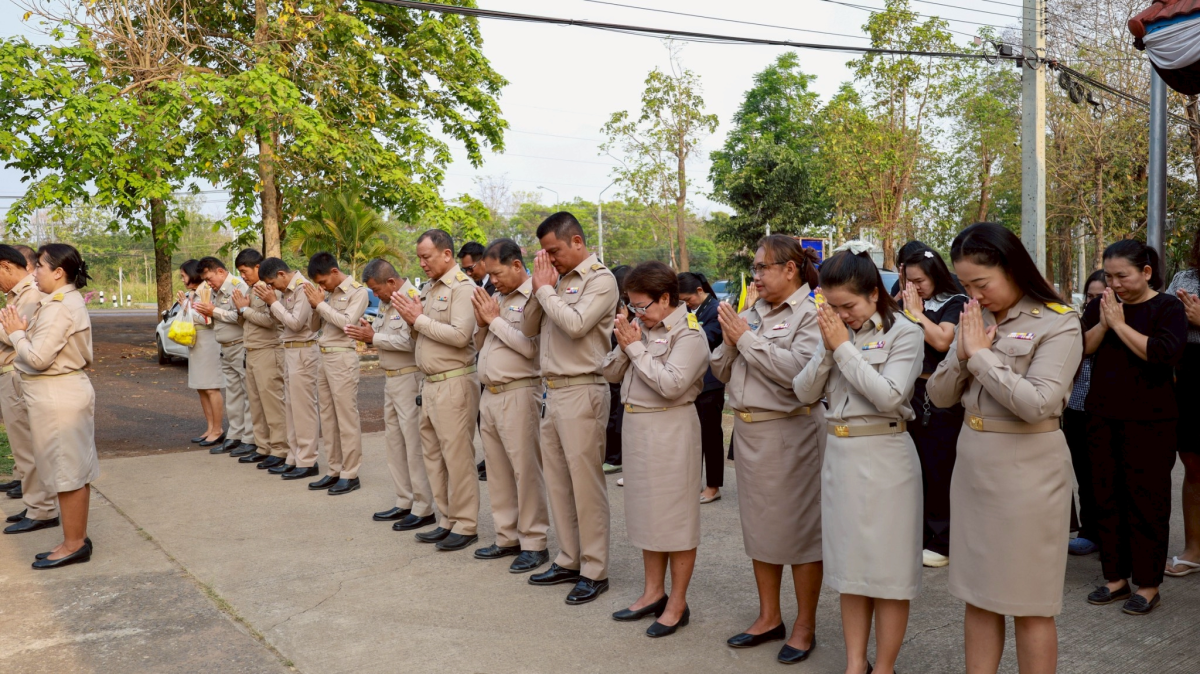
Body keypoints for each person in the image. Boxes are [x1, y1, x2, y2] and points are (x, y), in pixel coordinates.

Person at [927, 222, 1082, 674]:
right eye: (966, 284)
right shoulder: (976, 319)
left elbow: (1039, 404)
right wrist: (962, 352)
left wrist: (980, 356)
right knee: (979, 597)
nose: (975, 294)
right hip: (974, 466)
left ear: (1012, 268)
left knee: (1030, 602)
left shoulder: (1058, 321)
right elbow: (938, 397)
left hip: (1028, 474)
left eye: (982, 282)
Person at [793, 245, 924, 674]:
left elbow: (890, 396)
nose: (841, 314)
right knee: (850, 572)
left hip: (886, 458)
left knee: (888, 576)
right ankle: (855, 664)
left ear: (872, 292)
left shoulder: (904, 331)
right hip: (841, 457)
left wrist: (844, 350)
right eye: (831, 306)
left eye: (847, 305)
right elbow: (804, 392)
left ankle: (883, 667)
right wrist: (832, 348)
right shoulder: (834, 332)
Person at [710, 235, 824, 663]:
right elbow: (721, 370)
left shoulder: (810, 314)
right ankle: (768, 616)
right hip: (749, 431)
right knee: (759, 530)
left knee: (799, 534)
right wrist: (729, 337)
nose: (755, 276)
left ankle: (805, 624)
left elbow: (798, 374)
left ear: (789, 269)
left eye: (762, 268)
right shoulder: (750, 312)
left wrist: (746, 340)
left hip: (790, 432)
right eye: (754, 269)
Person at [602, 261, 708, 638]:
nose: (638, 313)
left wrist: (635, 351)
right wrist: (625, 341)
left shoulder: (689, 335)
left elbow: (671, 384)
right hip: (638, 428)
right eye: (632, 306)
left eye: (642, 306)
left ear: (666, 298)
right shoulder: (641, 328)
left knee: (675, 519)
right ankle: (652, 592)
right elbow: (610, 374)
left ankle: (677, 602)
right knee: (646, 513)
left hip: (670, 427)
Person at [520, 211, 619, 605]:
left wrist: (546, 291)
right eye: (545, 253)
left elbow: (576, 325)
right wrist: (538, 287)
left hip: (583, 389)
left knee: (585, 484)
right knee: (559, 482)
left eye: (554, 251)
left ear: (577, 241)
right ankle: (568, 558)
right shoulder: (552, 280)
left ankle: (595, 569)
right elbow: (529, 328)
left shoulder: (601, 279)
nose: (551, 259)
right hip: (552, 391)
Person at [1082, 240, 1184, 616]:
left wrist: (1119, 326)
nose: (1115, 283)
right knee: (1106, 496)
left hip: (1152, 420)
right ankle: (1115, 577)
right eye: (1109, 276)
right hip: (1102, 414)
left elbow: (1161, 355)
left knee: (1147, 501)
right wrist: (1105, 323)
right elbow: (1083, 348)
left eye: (1121, 275)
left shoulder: (1167, 307)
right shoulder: (1100, 305)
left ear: (1145, 272)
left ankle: (1148, 583)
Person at [0, 244, 98, 568]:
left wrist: (16, 335)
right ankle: (75, 539)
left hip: (58, 394)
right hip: (59, 392)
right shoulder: (58, 301)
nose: (35, 271)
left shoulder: (59, 306)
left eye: (39, 266)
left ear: (59, 272)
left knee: (67, 471)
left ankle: (74, 544)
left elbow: (39, 358)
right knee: (69, 468)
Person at [392, 230, 481, 551]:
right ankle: (446, 519)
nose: (422, 263)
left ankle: (466, 523)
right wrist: (411, 320)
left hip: (455, 381)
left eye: (426, 257)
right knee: (433, 456)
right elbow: (423, 336)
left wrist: (418, 320)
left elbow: (460, 335)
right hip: (429, 383)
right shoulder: (428, 290)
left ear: (446, 254)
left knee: (457, 456)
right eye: (419, 258)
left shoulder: (463, 288)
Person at [469, 239, 551, 571]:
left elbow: (531, 348)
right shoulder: (497, 298)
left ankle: (534, 542)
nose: (493, 281)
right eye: (488, 275)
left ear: (517, 265)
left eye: (497, 273)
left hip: (520, 391)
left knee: (525, 471)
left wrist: (494, 320)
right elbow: (482, 342)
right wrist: (482, 321)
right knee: (498, 471)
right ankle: (507, 536)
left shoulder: (536, 296)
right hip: (489, 393)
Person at [346, 258, 438, 531]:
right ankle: (404, 500)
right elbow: (387, 337)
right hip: (391, 378)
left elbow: (411, 342)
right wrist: (372, 334)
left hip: (410, 377)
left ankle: (423, 507)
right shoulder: (388, 304)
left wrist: (373, 338)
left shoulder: (412, 298)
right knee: (395, 444)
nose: (376, 296)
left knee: (413, 445)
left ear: (391, 281)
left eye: (377, 290)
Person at [898, 246, 968, 568]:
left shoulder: (955, 301)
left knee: (940, 467)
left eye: (920, 280)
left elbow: (942, 340)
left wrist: (915, 313)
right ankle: (920, 535)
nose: (916, 288)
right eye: (909, 280)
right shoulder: (904, 299)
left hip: (940, 393)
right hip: (908, 392)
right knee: (915, 468)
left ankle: (943, 540)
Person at [0, 244, 56, 534]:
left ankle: (42, 509)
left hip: (16, 372)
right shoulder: (17, 294)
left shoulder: (30, 294)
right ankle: (36, 503)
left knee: (28, 448)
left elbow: (14, 333)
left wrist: (6, 327)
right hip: (11, 372)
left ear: (6, 266)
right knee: (24, 447)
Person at [305, 252, 369, 495]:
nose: (321, 286)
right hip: (324, 355)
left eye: (323, 281)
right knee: (328, 417)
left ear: (334, 272)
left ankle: (350, 473)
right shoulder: (328, 295)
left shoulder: (357, 291)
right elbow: (313, 328)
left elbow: (346, 323)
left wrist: (320, 304)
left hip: (342, 356)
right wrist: (315, 306)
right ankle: (334, 469)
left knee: (346, 416)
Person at [259, 258, 322, 481]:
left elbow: (295, 323)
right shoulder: (287, 291)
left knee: (304, 409)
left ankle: (307, 460)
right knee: (292, 408)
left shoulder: (303, 288)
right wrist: (274, 302)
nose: (272, 288)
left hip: (304, 350)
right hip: (290, 350)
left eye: (272, 283)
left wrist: (273, 303)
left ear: (282, 274)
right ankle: (294, 457)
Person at [230, 249, 287, 472]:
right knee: (256, 404)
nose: (243, 276)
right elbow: (247, 323)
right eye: (240, 273)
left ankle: (280, 449)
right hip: (252, 350)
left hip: (269, 350)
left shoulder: (271, 289)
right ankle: (263, 447)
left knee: (272, 403)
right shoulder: (251, 290)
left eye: (245, 271)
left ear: (258, 267)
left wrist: (245, 310)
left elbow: (272, 321)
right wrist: (240, 311)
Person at [193, 257, 254, 457]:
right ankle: (235, 436)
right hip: (225, 348)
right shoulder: (215, 291)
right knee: (233, 395)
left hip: (239, 346)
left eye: (210, 278)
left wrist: (214, 311)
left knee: (247, 395)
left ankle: (249, 438)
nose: (208, 283)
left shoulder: (238, 286)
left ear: (220, 271)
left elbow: (240, 317)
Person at [1165, 230, 1200, 578]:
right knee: (1192, 463)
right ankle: (1193, 550)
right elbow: (1165, 318)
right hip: (1189, 371)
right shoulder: (1185, 278)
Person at [1065, 270, 1106, 557]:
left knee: (1105, 475)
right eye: (1089, 296)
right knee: (1084, 474)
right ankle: (1089, 531)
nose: (1093, 302)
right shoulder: (1081, 323)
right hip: (1077, 407)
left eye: (1099, 296)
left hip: (1107, 410)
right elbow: (1079, 349)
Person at [679, 271, 725, 504]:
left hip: (711, 383)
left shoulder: (716, 309)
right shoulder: (691, 311)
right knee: (691, 436)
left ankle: (713, 486)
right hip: (692, 382)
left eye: (688, 299)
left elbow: (707, 339)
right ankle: (692, 482)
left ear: (699, 291)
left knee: (711, 437)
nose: (686, 304)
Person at [459, 240, 494, 481]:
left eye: (471, 268)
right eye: (464, 270)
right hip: (478, 359)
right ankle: (490, 457)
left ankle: (495, 460)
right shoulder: (473, 287)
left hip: (496, 359)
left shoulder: (496, 287)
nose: (468, 273)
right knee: (483, 417)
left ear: (484, 262)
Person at [179, 259, 225, 447]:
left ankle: (218, 429)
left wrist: (186, 307)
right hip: (196, 344)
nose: (182, 280)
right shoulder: (193, 293)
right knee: (201, 387)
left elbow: (208, 320)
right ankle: (209, 427)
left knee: (211, 387)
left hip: (208, 342)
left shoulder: (207, 291)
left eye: (184, 275)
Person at [603, 264, 632, 476]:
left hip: (624, 368)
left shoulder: (631, 308)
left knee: (616, 414)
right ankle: (611, 455)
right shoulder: (613, 306)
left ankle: (615, 457)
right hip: (612, 363)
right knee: (612, 413)